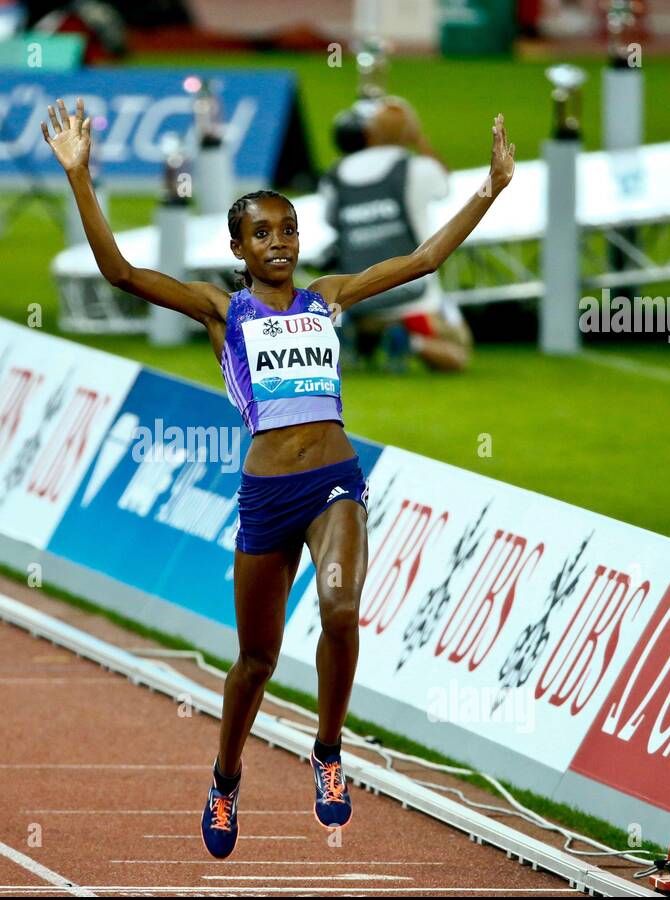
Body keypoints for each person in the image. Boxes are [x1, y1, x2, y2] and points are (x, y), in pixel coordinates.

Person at [42, 96, 515, 859]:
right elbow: (120, 271)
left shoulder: (327, 297)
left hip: (335, 480)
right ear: (238, 246)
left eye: (289, 229)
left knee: (339, 607)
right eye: (262, 233)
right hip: (265, 496)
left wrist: (489, 188)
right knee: (255, 660)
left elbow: (424, 259)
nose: (280, 243)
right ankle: (226, 776)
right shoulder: (218, 310)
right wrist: (81, 177)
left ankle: (328, 751)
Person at [323, 95, 474, 373]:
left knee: (366, 309)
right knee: (459, 350)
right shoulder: (416, 167)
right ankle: (411, 342)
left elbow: (331, 222)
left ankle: (359, 340)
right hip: (414, 299)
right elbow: (445, 186)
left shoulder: (336, 174)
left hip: (359, 299)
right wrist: (419, 141)